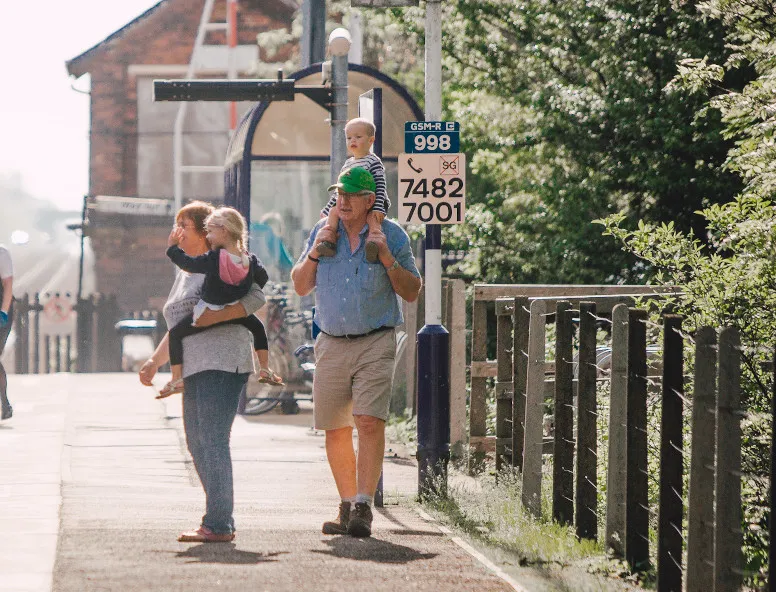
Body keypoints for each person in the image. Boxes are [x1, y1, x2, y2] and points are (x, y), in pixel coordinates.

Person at [291, 166, 422, 538]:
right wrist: (315, 254)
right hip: (330, 342)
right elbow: (301, 285)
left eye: (350, 195)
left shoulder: (391, 234)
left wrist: (387, 259)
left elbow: (412, 290)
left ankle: (364, 503)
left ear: (369, 201)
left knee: (368, 421)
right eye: (339, 195)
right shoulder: (323, 233)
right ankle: (347, 503)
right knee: (335, 428)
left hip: (375, 341)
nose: (343, 201)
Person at [138, 200, 266, 543]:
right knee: (197, 442)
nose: (177, 231)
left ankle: (219, 522)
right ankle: (218, 515)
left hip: (222, 361)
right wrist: (155, 361)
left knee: (212, 441)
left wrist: (220, 316)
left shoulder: (224, 261)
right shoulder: (186, 271)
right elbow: (181, 325)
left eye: (185, 225)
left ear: (203, 231)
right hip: (196, 364)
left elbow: (256, 296)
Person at [157, 206, 283, 399]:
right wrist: (241, 287)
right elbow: (263, 278)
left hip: (207, 311)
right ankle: (265, 368)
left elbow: (189, 264)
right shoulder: (249, 260)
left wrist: (172, 248)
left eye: (211, 231)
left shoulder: (216, 258)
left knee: (177, 333)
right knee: (257, 327)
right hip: (235, 311)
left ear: (224, 230)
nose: (208, 237)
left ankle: (176, 378)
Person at [317, 118, 388, 263]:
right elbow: (340, 190)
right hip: (351, 203)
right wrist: (329, 207)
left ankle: (373, 243)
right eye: (349, 138)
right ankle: (328, 241)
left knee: (372, 219)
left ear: (371, 140)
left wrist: (379, 207)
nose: (352, 141)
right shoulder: (348, 164)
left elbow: (380, 185)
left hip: (374, 202)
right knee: (331, 213)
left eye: (358, 137)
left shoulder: (373, 162)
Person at [0, 245, 13, 420]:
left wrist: (3, 311)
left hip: (2, 309)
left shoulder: (1, 253)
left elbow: (8, 284)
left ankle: (4, 403)